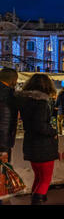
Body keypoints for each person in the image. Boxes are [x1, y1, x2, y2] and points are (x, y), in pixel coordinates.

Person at [16, 74, 59, 205]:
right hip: (43, 145)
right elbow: (40, 125)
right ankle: (37, 201)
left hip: (31, 143)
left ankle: (35, 199)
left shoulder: (26, 101)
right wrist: (53, 132)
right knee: (45, 179)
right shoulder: (41, 102)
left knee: (39, 177)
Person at [0, 68, 19, 205]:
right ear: (13, 80)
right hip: (2, 143)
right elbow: (4, 123)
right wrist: (4, 148)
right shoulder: (8, 95)